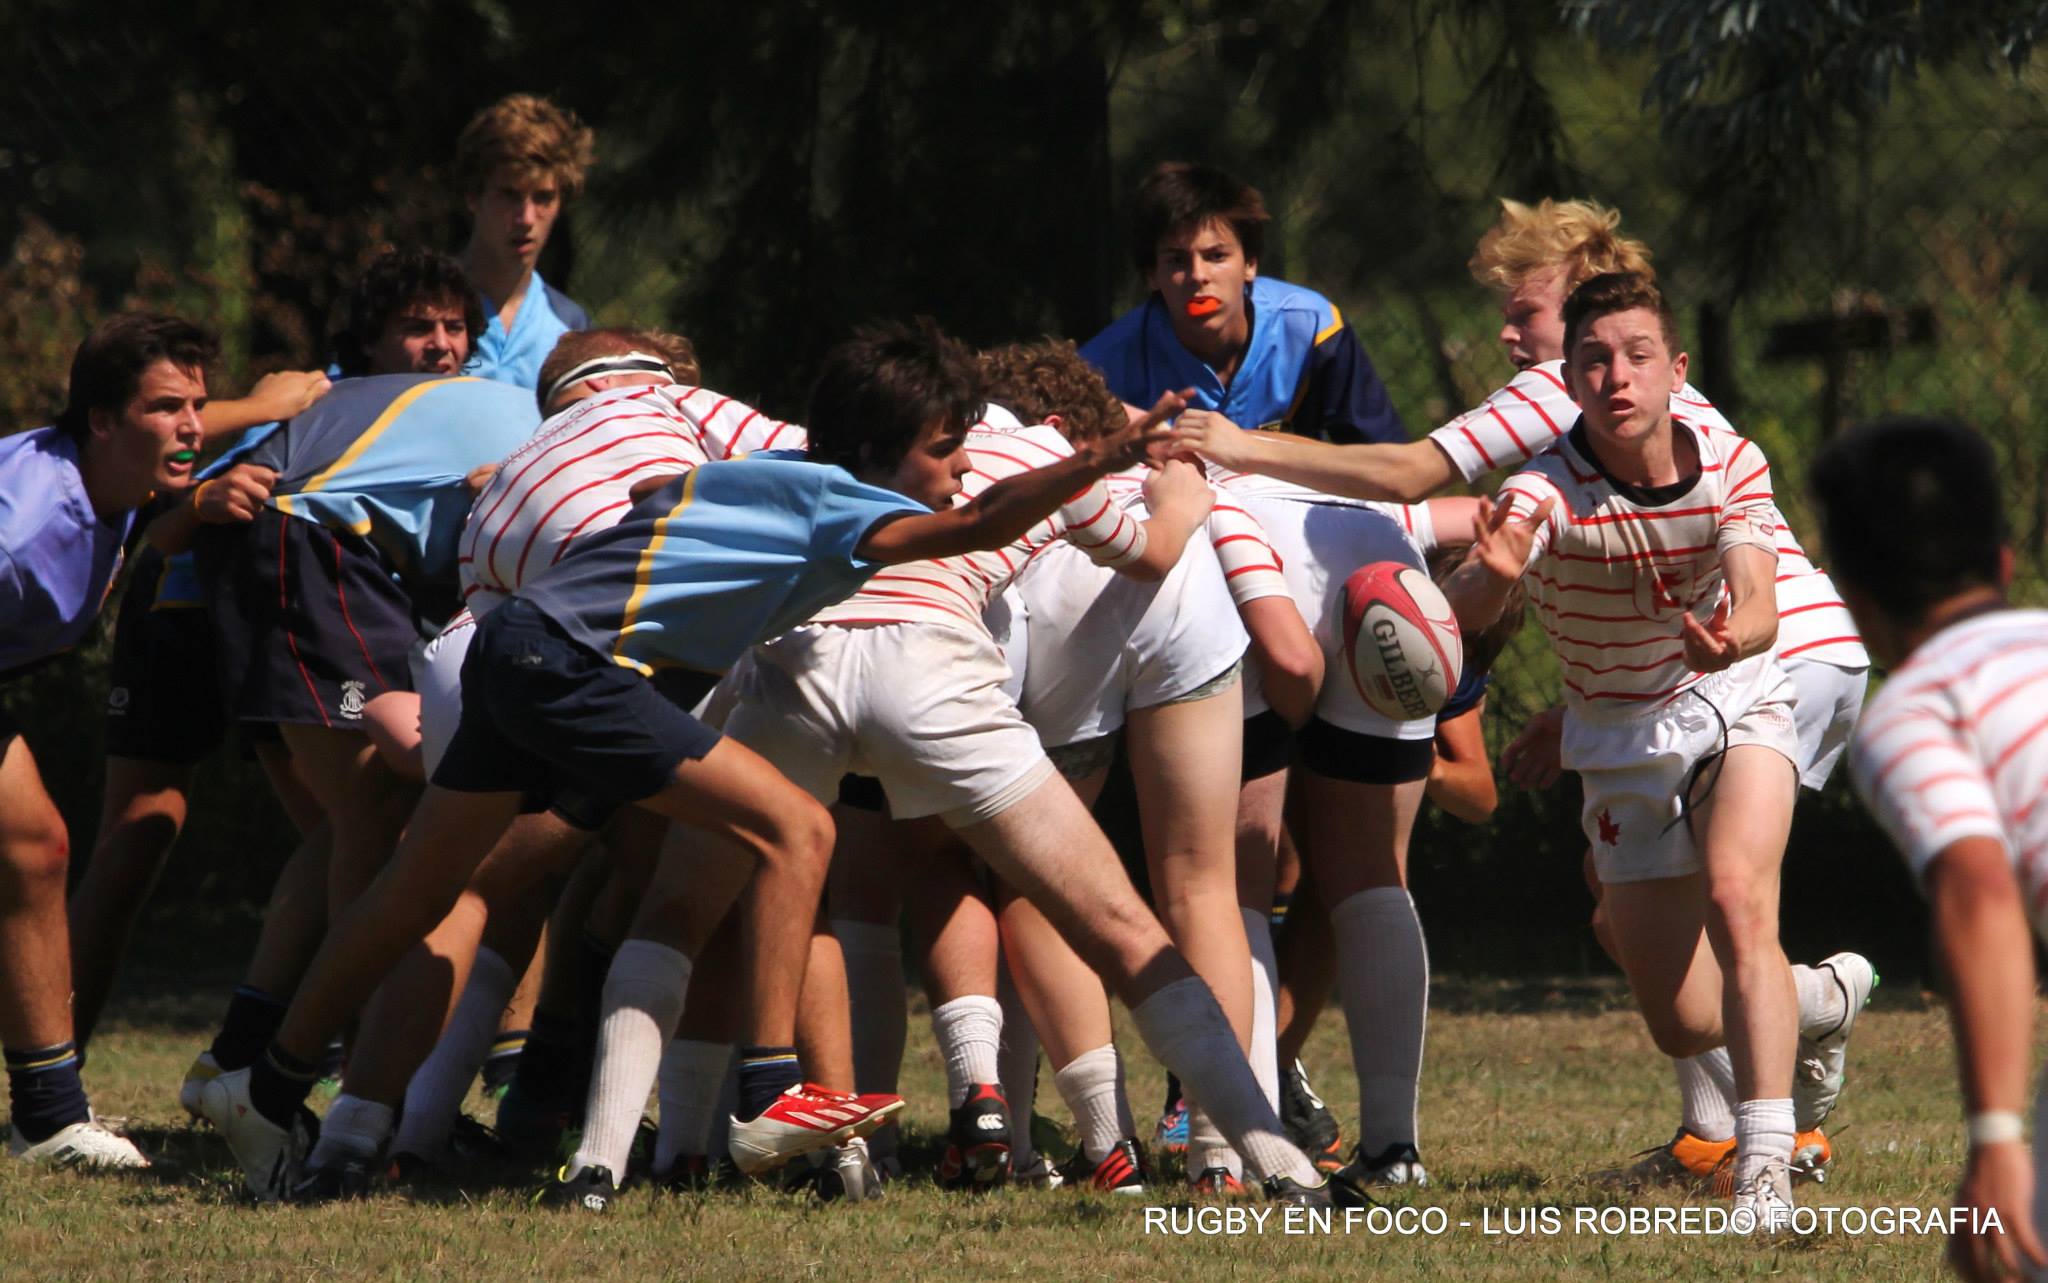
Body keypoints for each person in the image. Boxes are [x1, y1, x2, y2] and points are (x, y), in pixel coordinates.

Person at [1187, 197, 1875, 1188]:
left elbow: (1408, 466)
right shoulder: (1592, 409)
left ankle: (1754, 1127)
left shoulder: (1571, 386)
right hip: (1703, 667)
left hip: (1771, 652)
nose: (1511, 333)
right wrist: (1578, 699)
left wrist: (1240, 445)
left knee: (1730, 901)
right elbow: (1602, 569)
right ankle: (1772, 1048)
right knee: (1625, 919)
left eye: (1524, 309)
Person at [1441, 271, 1808, 1227]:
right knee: (1684, 1016)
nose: (1618, 377)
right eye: (1595, 359)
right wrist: (1491, 573)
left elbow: (1759, 594)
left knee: (1739, 899)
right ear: (1567, 379)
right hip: (1618, 737)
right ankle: (1823, 1001)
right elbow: (1475, 602)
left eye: (1638, 356)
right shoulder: (1542, 489)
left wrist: (1734, 637)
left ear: (1675, 368)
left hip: (1731, 696)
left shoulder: (1729, 456)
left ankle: (1764, 1167)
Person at [73, 249, 480, 1058]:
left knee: (351, 824)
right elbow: (164, 519)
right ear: (366, 344)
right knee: (143, 832)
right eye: (415, 327)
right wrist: (205, 500)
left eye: (454, 326)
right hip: (183, 612)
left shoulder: (456, 406)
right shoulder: (316, 404)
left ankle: (255, 1055)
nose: (439, 343)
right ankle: (51, 1086)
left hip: (273, 617)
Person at [0, 313, 241, 1167]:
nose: (192, 426)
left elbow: (162, 480)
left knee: (34, 847)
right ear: (102, 419)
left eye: (200, 405)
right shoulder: (27, 530)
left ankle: (47, 1117)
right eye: (167, 407)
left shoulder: (108, 472)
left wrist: (287, 400)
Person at [1815, 416, 2048, 1283]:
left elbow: (1980, 888)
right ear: (2004, 562)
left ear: (1855, 601)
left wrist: (1994, 1137)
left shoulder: (1918, 708)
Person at [1082, 162, 1403, 446]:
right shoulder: (1100, 368)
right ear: (1152, 275)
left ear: (1249, 263)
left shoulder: (1314, 328)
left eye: (1216, 256)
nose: (1198, 276)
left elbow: (1386, 462)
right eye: (1177, 261)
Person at [456, 94, 593, 389]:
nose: (527, 218)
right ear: (472, 196)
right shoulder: (419, 312)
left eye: (543, 198)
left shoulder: (571, 326)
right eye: (509, 195)